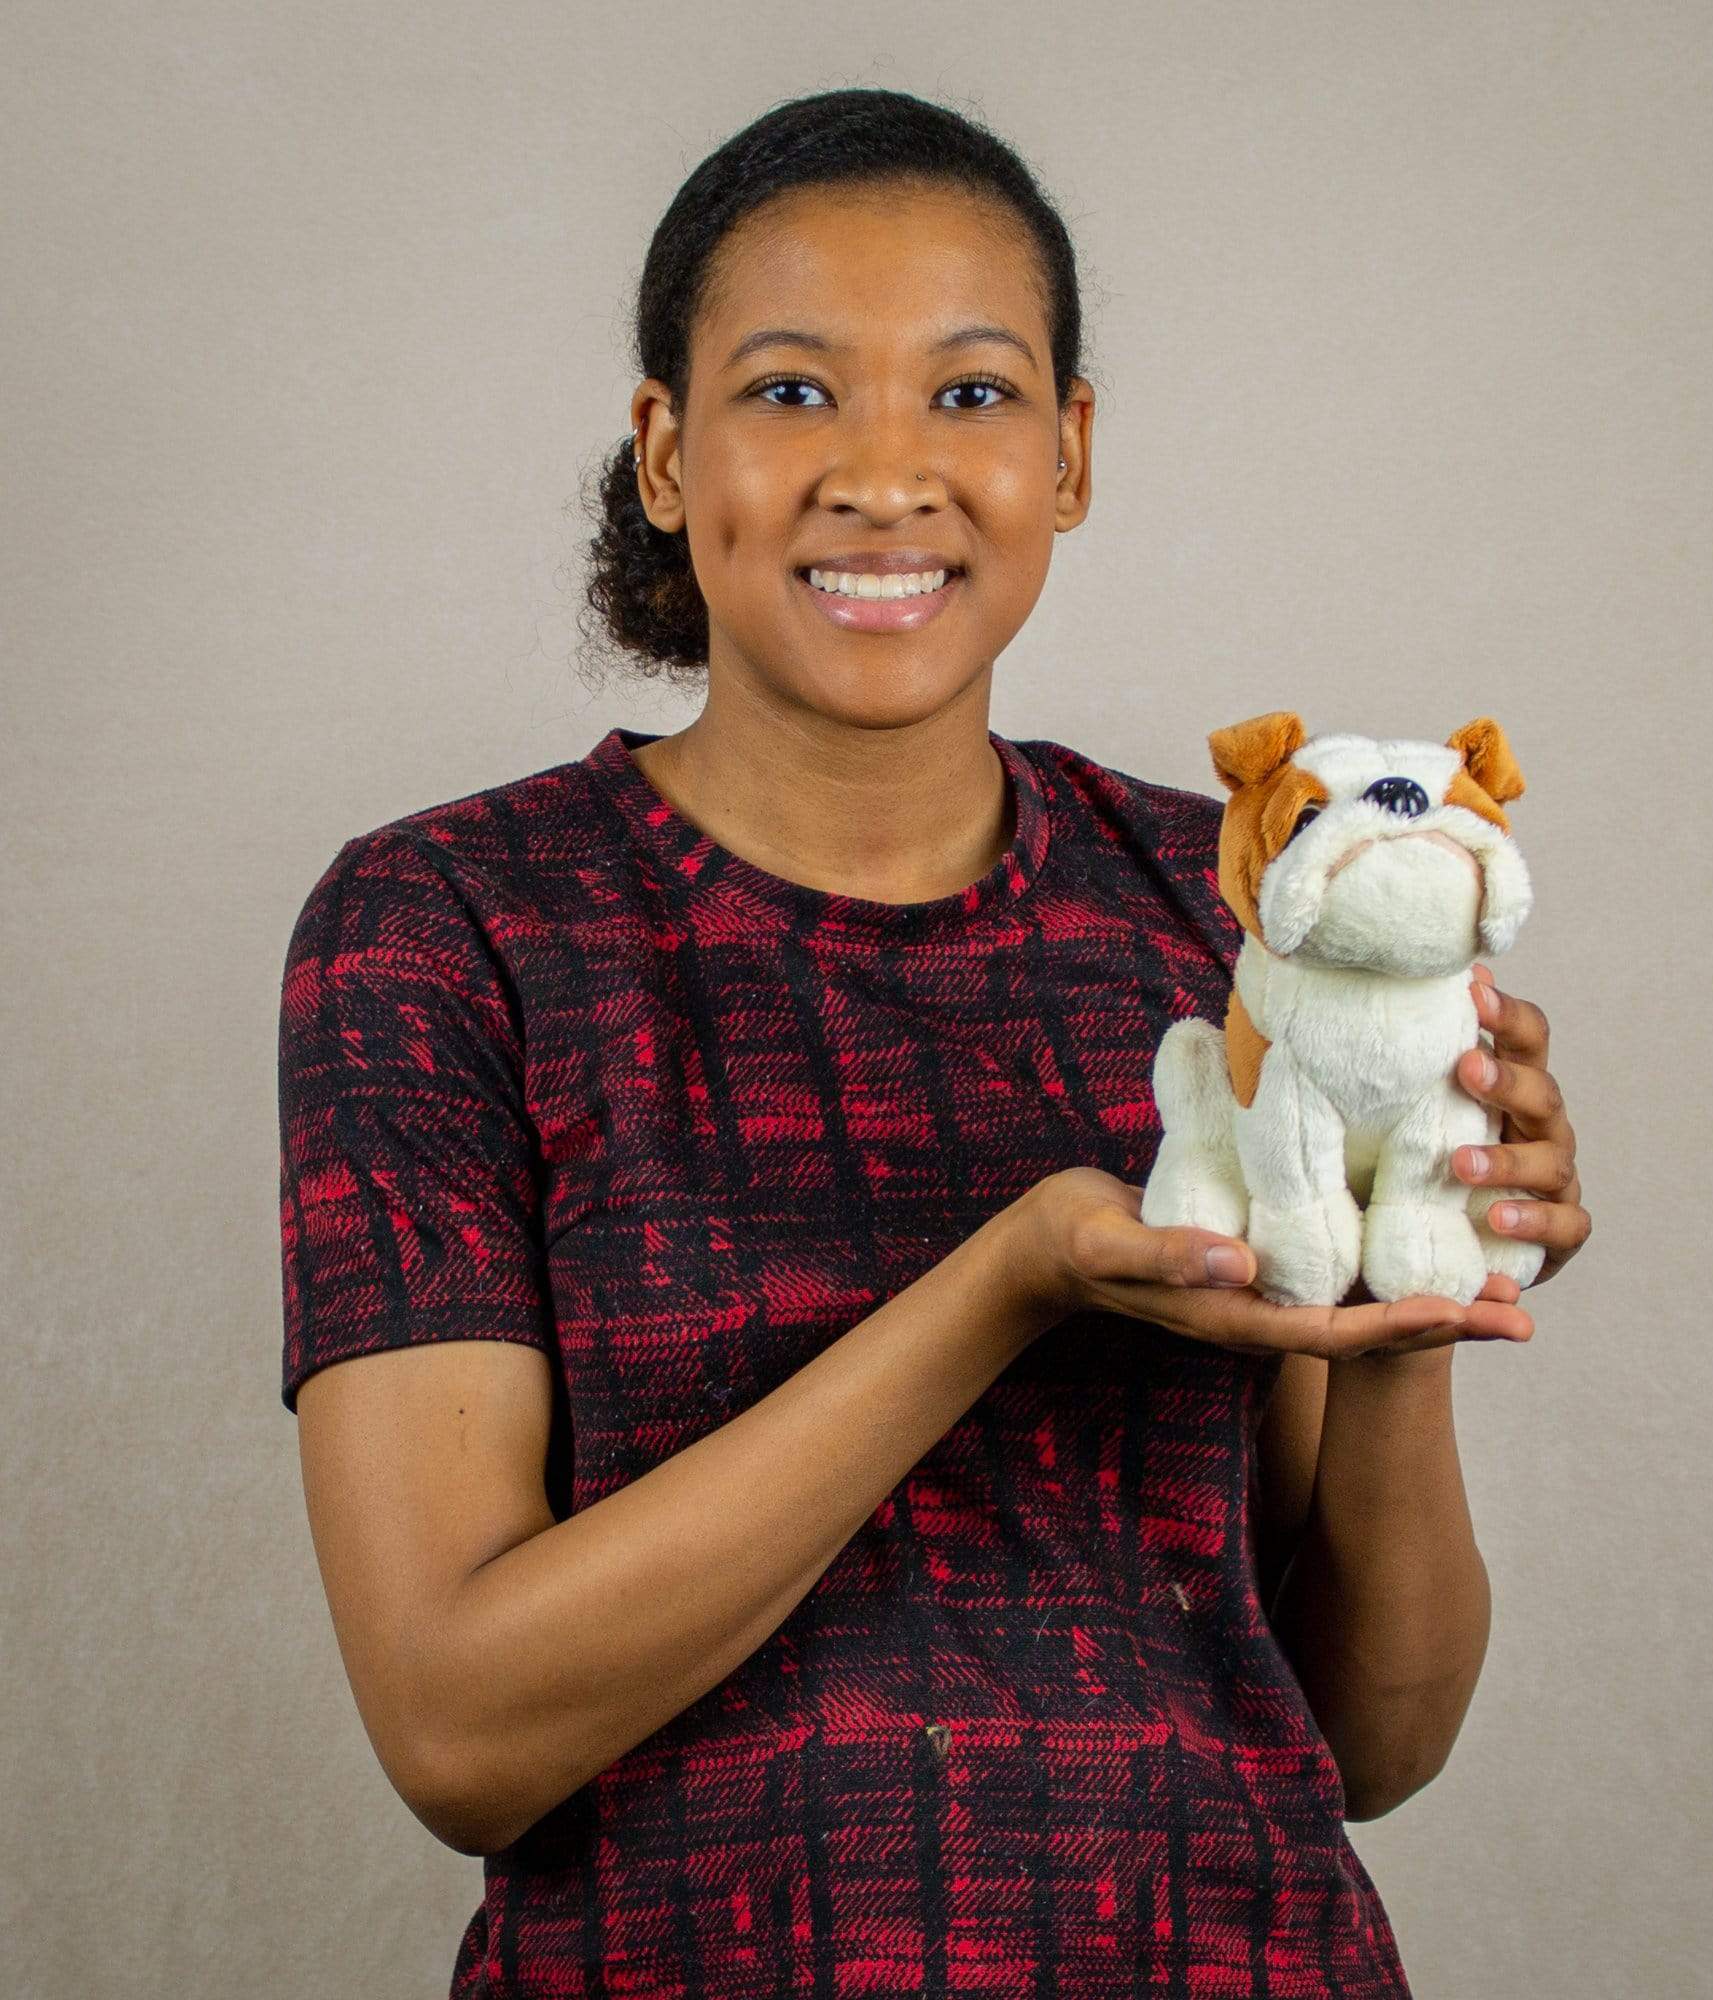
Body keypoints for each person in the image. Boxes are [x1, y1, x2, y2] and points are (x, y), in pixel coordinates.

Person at [277, 86, 1591, 1998]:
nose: (885, 473)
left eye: (970, 396)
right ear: (664, 451)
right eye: (793, 391)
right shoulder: (450, 930)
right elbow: (461, 1731)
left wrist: (1413, 1287)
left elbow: (1372, 1742)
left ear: (1069, 456)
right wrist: (1011, 1281)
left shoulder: (1218, 901)